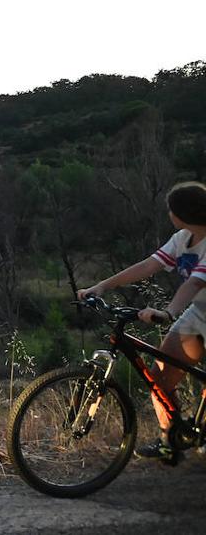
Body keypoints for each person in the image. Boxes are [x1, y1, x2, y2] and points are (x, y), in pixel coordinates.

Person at [78, 180, 206, 462]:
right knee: (160, 379)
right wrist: (101, 286)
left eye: (171, 209)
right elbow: (148, 266)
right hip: (199, 314)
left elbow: (194, 284)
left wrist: (169, 312)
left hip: (194, 307)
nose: (169, 214)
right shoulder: (183, 238)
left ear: (183, 213)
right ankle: (169, 441)